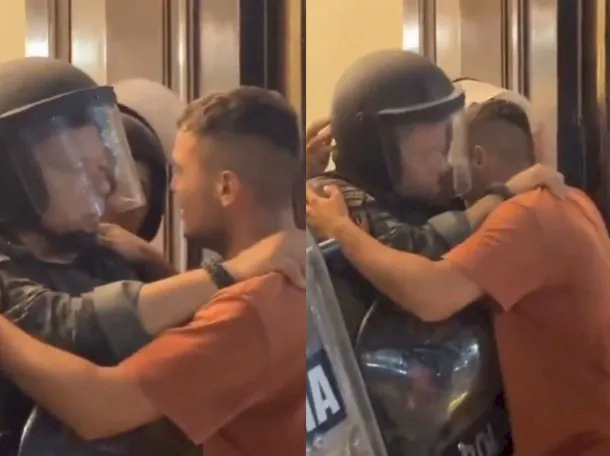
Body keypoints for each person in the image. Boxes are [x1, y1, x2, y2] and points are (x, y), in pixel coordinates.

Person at [0, 57, 302, 456]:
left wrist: (158, 266)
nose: (103, 187)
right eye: (77, 168)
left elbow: (174, 337)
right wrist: (226, 273)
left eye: (102, 168)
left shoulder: (104, 256)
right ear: (13, 177)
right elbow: (63, 321)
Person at [306, 93, 610, 455]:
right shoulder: (570, 198)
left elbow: (431, 295)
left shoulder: (524, 217)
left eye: (449, 154)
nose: (445, 171)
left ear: (477, 158)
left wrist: (341, 229)